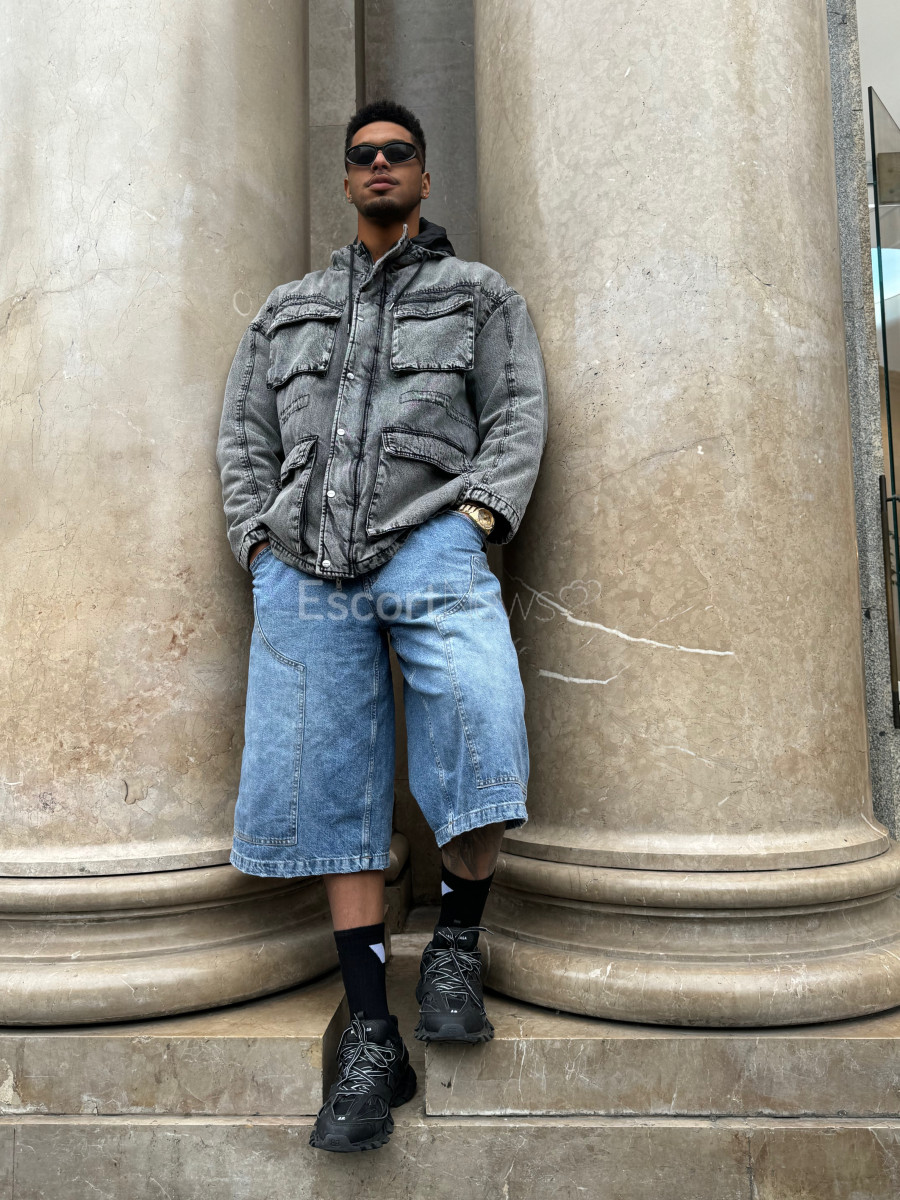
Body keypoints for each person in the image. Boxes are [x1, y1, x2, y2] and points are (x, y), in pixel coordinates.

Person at [216, 98, 548, 1153]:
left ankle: (455, 943)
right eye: (363, 155)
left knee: (482, 724)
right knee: (328, 783)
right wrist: (256, 542)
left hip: (432, 541)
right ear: (346, 176)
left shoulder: (479, 295)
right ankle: (372, 1035)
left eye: (399, 152)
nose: (380, 165)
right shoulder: (286, 311)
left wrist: (478, 518)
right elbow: (243, 437)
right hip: (303, 564)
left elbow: (518, 414)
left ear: (424, 175)